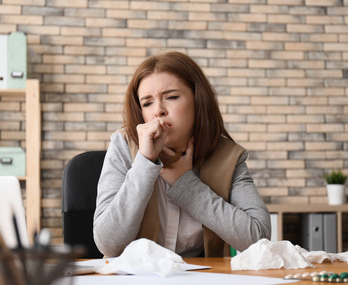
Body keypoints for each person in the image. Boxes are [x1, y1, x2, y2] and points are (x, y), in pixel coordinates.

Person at [93, 51, 271, 258]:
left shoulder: (228, 156)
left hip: (201, 281)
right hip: (134, 283)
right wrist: (145, 163)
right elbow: (108, 244)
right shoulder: (124, 144)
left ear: (198, 100)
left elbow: (259, 239)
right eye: (147, 103)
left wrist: (184, 184)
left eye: (172, 97)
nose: (158, 110)